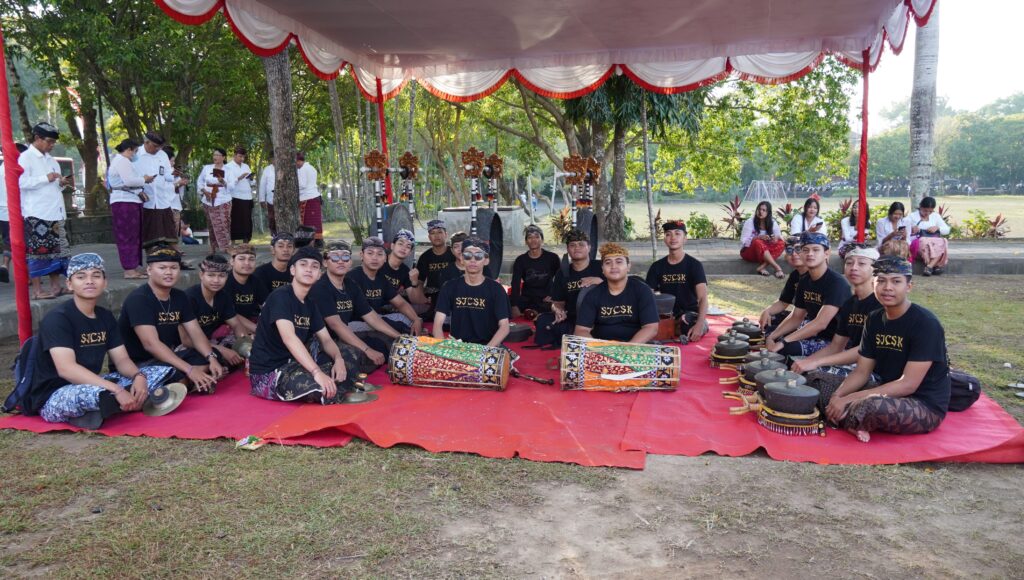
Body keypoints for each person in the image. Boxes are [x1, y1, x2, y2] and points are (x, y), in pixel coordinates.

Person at [20, 253, 175, 429]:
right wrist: (116, 389)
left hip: (93, 382)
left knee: (161, 372)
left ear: (105, 282)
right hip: (56, 394)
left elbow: (122, 360)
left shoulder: (105, 316)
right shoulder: (58, 319)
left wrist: (138, 377)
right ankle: (115, 404)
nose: (89, 281)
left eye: (96, 275)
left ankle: (110, 407)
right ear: (69, 284)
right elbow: (66, 369)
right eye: (81, 277)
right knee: (99, 395)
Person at [822, 255, 951, 443]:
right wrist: (837, 396)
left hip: (922, 404)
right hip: (885, 389)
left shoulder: (926, 323)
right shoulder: (874, 319)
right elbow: (861, 372)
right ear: (873, 284)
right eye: (881, 281)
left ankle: (850, 418)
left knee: (871, 406)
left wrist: (849, 399)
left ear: (909, 286)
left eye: (896, 281)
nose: (887, 287)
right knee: (819, 382)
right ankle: (851, 419)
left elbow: (908, 384)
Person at [247, 246, 349, 403]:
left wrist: (338, 359)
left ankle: (334, 383)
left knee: (348, 357)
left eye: (314, 266)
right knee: (322, 389)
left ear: (319, 274)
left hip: (295, 365)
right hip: (270, 372)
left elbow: (326, 339)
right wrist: (316, 372)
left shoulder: (310, 303)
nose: (309, 269)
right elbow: (289, 338)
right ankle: (332, 387)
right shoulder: (280, 297)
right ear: (293, 270)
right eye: (303, 264)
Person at [118, 247, 224, 392]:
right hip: (139, 364)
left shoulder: (180, 296)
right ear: (149, 270)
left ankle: (183, 385)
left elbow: (196, 332)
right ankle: (186, 382)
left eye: (174, 268)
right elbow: (151, 344)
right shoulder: (139, 299)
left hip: (166, 357)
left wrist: (211, 358)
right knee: (173, 372)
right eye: (162, 268)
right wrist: (190, 369)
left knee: (212, 354)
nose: (169, 272)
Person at [793, 245, 881, 391]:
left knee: (815, 377)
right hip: (856, 365)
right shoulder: (849, 304)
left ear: (875, 270)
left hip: (876, 373)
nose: (854, 268)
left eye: (862, 263)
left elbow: (867, 350)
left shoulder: (881, 304)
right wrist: (807, 362)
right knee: (799, 366)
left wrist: (816, 362)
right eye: (849, 263)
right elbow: (836, 347)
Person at [309, 240, 404, 374]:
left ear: (350, 261)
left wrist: (400, 337)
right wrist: (367, 349)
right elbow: (336, 325)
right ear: (325, 262)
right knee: (358, 356)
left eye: (345, 256)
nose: (341, 261)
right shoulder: (320, 288)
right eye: (335, 257)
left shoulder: (350, 284)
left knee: (386, 343)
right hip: (321, 344)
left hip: (342, 337)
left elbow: (371, 317)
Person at [765, 232, 852, 356]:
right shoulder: (805, 280)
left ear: (826, 253)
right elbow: (796, 317)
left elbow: (820, 324)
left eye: (816, 250)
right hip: (815, 335)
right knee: (771, 334)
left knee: (785, 349)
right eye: (805, 250)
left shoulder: (837, 283)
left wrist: (783, 342)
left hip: (837, 343)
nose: (810, 254)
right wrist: (772, 337)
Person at [18, 122, 72, 299]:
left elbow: (55, 185)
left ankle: (56, 286)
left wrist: (61, 183)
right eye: (49, 141)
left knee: (57, 252)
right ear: (37, 138)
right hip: (37, 213)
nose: (51, 145)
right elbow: (21, 182)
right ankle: (37, 290)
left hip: (55, 212)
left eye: (53, 142)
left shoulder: (52, 160)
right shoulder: (25, 158)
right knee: (38, 254)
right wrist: (45, 178)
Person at [533, 228, 604, 348]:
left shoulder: (601, 267)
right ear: (567, 249)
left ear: (589, 248)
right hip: (574, 318)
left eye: (581, 244)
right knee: (543, 321)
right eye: (572, 245)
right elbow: (557, 302)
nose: (577, 248)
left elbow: (621, 287)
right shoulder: (563, 273)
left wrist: (600, 281)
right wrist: (558, 311)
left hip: (600, 317)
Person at [434, 237, 511, 346]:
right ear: (462, 258)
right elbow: (437, 324)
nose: (473, 260)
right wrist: (442, 347)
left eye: (478, 256)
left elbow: (504, 327)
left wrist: (486, 350)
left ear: (486, 260)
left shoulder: (496, 289)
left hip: (488, 346)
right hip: (458, 346)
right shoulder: (449, 287)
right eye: (467, 255)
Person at [575, 243, 659, 343]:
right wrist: (598, 348)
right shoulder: (593, 295)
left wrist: (627, 348)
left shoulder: (642, 291)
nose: (613, 266)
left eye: (619, 262)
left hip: (635, 345)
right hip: (602, 347)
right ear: (602, 269)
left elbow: (651, 327)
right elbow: (581, 330)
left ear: (628, 266)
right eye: (608, 263)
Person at [645, 220, 709, 342]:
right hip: (665, 314)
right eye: (668, 234)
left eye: (677, 234)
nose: (673, 237)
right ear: (665, 239)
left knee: (688, 326)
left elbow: (703, 298)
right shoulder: (656, 267)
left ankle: (684, 326)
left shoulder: (695, 265)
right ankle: (671, 327)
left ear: (685, 238)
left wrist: (699, 324)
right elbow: (647, 296)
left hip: (689, 314)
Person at [184, 254, 250, 370]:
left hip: (211, 342)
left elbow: (236, 324)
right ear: (201, 275)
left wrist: (245, 344)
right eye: (211, 275)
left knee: (250, 346)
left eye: (221, 276)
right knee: (212, 359)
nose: (216, 280)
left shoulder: (223, 296)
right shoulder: (189, 298)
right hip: (189, 346)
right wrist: (221, 350)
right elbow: (186, 340)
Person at [347, 236, 423, 335]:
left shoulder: (381, 278)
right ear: (362, 255)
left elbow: (400, 303)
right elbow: (368, 316)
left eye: (379, 254)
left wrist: (416, 319)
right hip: (354, 323)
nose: (375, 258)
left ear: (385, 258)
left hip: (378, 318)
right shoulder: (352, 277)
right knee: (395, 328)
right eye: (370, 253)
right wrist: (398, 335)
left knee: (409, 320)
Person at [107, 138, 151, 279]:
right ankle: (129, 269)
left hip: (130, 200)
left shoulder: (121, 161)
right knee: (128, 236)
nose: (135, 154)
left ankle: (133, 266)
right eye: (135, 151)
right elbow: (129, 181)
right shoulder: (122, 161)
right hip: (125, 201)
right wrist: (144, 179)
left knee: (134, 235)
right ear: (129, 150)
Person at [136, 132, 179, 251]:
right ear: (146, 142)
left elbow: (167, 174)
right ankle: (152, 257)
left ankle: (174, 254)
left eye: (159, 147)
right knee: (149, 234)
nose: (157, 149)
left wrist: (174, 175)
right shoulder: (136, 154)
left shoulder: (162, 155)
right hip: (145, 199)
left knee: (169, 230)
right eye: (155, 146)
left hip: (162, 198)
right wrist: (143, 180)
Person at [509, 224, 560, 319]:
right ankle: (530, 312)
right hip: (527, 298)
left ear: (542, 240)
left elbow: (561, 279)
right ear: (526, 241)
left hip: (546, 299)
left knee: (555, 306)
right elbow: (515, 283)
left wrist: (553, 295)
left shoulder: (552, 258)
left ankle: (534, 313)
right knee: (505, 302)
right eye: (530, 237)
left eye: (537, 237)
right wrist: (514, 305)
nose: (533, 240)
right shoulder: (521, 260)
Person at [758, 236, 807, 334]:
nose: (794, 254)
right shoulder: (795, 275)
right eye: (789, 250)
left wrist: (776, 333)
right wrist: (767, 311)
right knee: (770, 319)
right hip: (798, 316)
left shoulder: (814, 276)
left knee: (775, 334)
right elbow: (783, 302)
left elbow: (803, 314)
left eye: (798, 249)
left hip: (812, 320)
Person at [197, 147, 236, 253]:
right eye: (214, 155)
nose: (215, 157)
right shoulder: (207, 168)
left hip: (223, 200)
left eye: (218, 155)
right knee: (211, 224)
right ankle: (213, 247)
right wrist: (204, 191)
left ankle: (226, 247)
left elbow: (232, 186)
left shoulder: (229, 170)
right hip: (208, 199)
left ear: (223, 157)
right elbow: (200, 182)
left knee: (223, 223)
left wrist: (223, 181)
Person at [0, 144, 28, 283]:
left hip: (2, 211)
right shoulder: (17, 169)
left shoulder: (1, 168)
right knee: (22, 242)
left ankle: (5, 264)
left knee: (8, 240)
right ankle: (25, 274)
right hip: (18, 209)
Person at [415, 219, 457, 310]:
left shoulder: (454, 253)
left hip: (455, 296)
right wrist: (423, 299)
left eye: (440, 232)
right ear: (429, 237)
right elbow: (420, 282)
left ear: (446, 234)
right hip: (432, 297)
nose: (436, 236)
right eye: (433, 233)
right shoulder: (425, 257)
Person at [381, 229, 428, 308]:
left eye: (408, 246)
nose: (403, 248)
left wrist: (414, 282)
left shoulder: (405, 271)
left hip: (388, 308)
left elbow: (415, 301)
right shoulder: (379, 261)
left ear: (410, 253)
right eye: (400, 244)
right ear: (392, 246)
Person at [224, 243, 264, 334]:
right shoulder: (225, 282)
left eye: (251, 259)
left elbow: (266, 303)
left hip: (252, 319)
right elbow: (230, 313)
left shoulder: (256, 280)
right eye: (241, 259)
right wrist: (258, 330)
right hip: (229, 322)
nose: (247, 263)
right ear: (232, 261)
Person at [740, 200, 786, 279]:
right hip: (749, 253)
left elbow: (779, 237)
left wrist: (775, 239)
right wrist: (759, 237)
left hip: (765, 254)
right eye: (759, 209)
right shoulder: (750, 222)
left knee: (781, 243)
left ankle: (762, 267)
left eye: (764, 210)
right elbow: (744, 241)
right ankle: (778, 268)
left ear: (768, 213)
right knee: (758, 242)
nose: (760, 212)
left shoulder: (773, 223)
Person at [908, 196, 951, 276]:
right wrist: (911, 229)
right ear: (920, 207)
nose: (927, 213)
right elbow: (904, 230)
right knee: (924, 241)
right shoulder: (912, 216)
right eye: (925, 210)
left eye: (930, 211)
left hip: (934, 242)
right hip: (919, 243)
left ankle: (929, 267)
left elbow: (947, 230)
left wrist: (938, 228)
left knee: (943, 241)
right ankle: (935, 266)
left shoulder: (935, 216)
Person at [161, 145, 190, 241]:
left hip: (175, 202)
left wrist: (182, 184)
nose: (173, 163)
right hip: (165, 202)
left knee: (176, 226)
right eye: (171, 161)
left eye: (174, 161)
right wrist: (178, 184)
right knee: (167, 227)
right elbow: (163, 188)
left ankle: (174, 245)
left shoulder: (175, 171)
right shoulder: (161, 171)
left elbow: (176, 187)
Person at [251, 232, 294, 297]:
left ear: (293, 250)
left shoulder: (296, 273)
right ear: (272, 249)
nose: (285, 250)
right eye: (280, 246)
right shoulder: (260, 273)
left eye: (289, 246)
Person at [228, 146, 255, 243]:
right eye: (240, 156)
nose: (242, 159)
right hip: (235, 196)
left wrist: (251, 178)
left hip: (247, 196)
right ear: (235, 155)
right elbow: (228, 183)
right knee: (235, 220)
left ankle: (246, 241)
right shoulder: (228, 167)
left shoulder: (246, 166)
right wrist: (239, 178)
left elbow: (252, 182)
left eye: (243, 157)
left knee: (247, 220)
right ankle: (233, 242)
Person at [296, 152, 323, 248]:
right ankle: (318, 241)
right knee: (316, 222)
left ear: (299, 161)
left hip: (307, 198)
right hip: (314, 196)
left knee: (307, 222)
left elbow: (302, 185)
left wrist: (293, 187)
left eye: (295, 162)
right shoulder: (312, 168)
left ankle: (308, 242)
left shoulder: (303, 169)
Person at [258, 150, 276, 235]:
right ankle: (274, 236)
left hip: (283, 200)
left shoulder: (285, 167)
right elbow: (262, 185)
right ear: (271, 159)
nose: (275, 160)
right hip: (270, 199)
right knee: (272, 219)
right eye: (273, 158)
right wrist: (262, 199)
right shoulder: (267, 169)